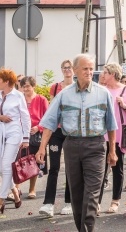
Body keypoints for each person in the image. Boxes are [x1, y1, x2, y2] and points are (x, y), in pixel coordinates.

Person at [36, 54, 118, 232]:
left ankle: (87, 228)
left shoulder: (103, 94)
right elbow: (49, 124)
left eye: (91, 68)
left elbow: (111, 125)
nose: (89, 72)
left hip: (96, 146)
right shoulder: (63, 95)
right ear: (75, 71)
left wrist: (112, 151)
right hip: (72, 145)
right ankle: (82, 228)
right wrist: (42, 148)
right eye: (85, 69)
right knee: (76, 192)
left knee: (92, 192)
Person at [97, 63, 126, 213]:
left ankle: (115, 200)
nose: (102, 75)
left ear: (113, 74)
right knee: (100, 169)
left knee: (117, 168)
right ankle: (97, 201)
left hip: (119, 134)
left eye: (105, 72)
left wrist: (125, 106)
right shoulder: (101, 90)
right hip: (101, 134)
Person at [39, 59, 74, 217]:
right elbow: (52, 109)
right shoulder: (55, 87)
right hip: (56, 131)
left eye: (69, 68)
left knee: (69, 167)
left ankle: (69, 201)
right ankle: (48, 203)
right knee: (54, 167)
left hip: (71, 132)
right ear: (61, 70)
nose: (67, 70)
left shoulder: (77, 87)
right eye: (64, 68)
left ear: (74, 70)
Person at [0, 68, 30, 214]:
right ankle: (16, 195)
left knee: (6, 165)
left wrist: (26, 138)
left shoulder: (18, 96)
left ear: (6, 81)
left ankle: (1, 199)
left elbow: (25, 117)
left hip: (14, 133)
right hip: (1, 132)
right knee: (2, 167)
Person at [19, 76, 49, 199]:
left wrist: (38, 127)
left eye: (28, 86)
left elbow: (47, 117)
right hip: (21, 134)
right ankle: (17, 188)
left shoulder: (41, 99)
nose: (26, 89)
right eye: (24, 86)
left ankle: (32, 189)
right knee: (18, 161)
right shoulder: (20, 99)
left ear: (33, 86)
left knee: (33, 162)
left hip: (36, 135)